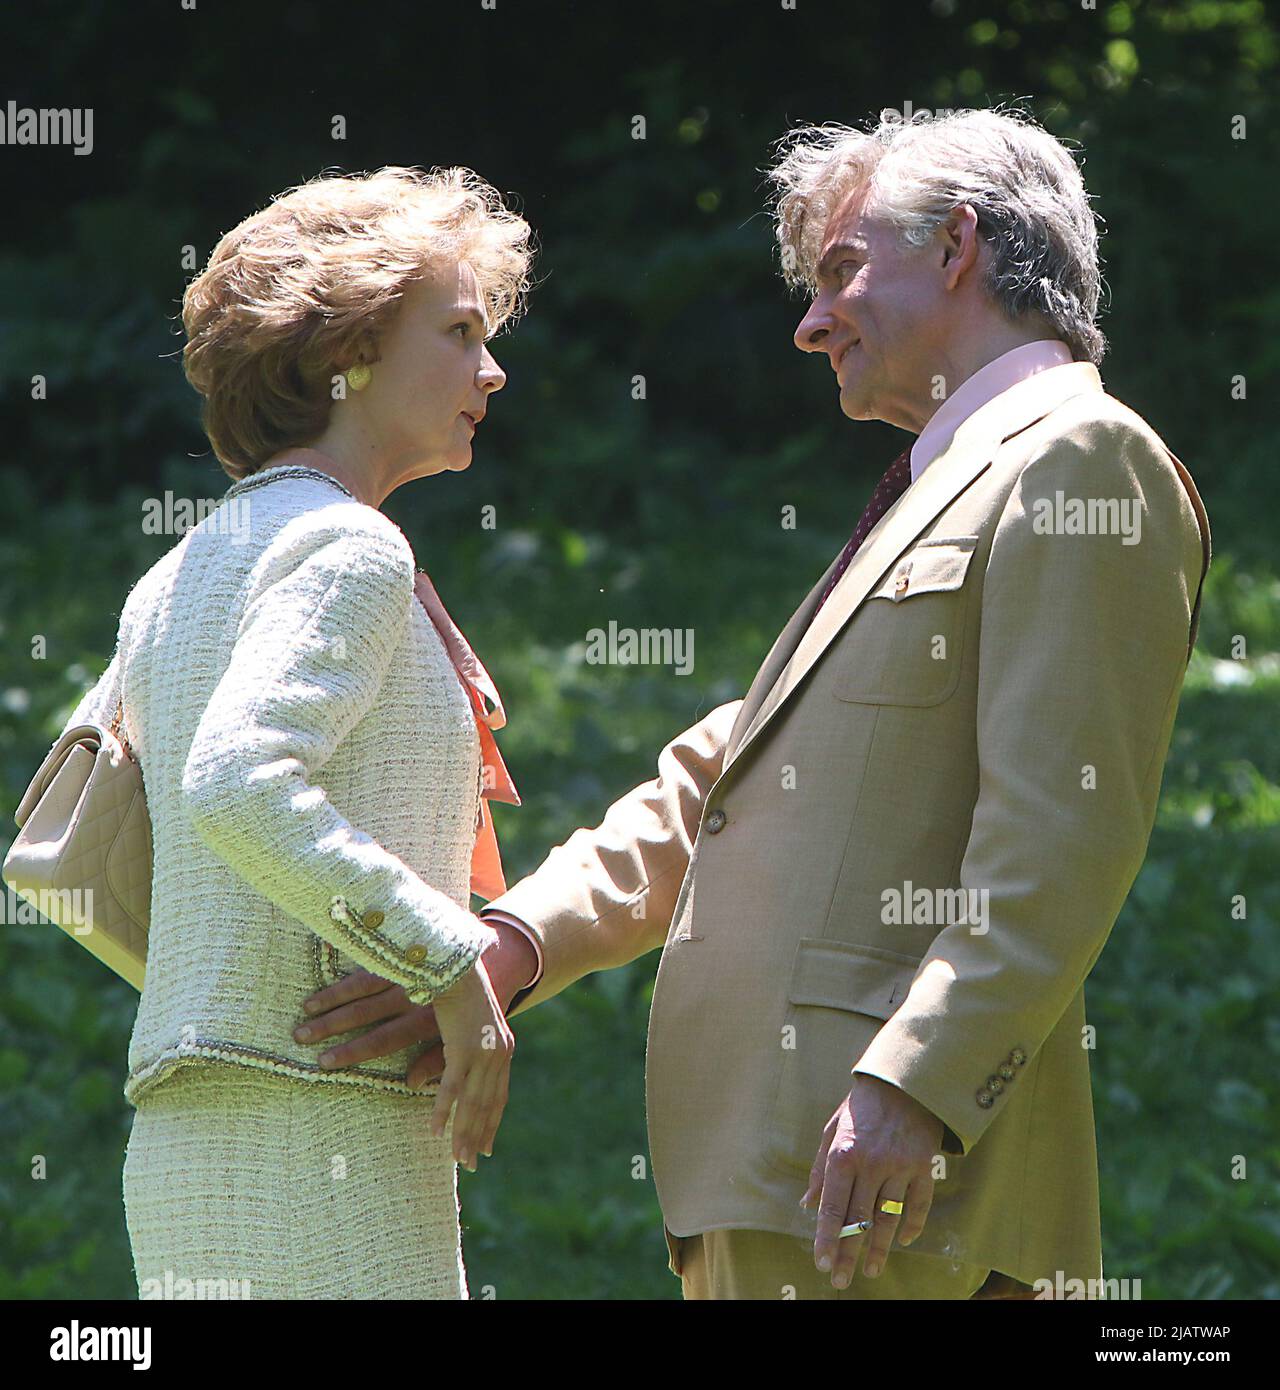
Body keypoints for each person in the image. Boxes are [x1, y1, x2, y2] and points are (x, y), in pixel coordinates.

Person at [299, 107, 1210, 1299]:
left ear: (956, 247)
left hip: (898, 1198)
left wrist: (914, 1089)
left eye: (840, 270)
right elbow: (726, 781)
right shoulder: (950, 480)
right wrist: (508, 942)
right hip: (799, 1182)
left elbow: (1064, 834)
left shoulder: (1081, 457)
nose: (808, 321)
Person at [61, 165, 542, 1298]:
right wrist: (450, 962)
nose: (493, 367)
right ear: (350, 349)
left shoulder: (173, 571)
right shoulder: (350, 548)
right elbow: (236, 783)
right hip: (323, 1121)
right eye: (460, 330)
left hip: (188, 1131)